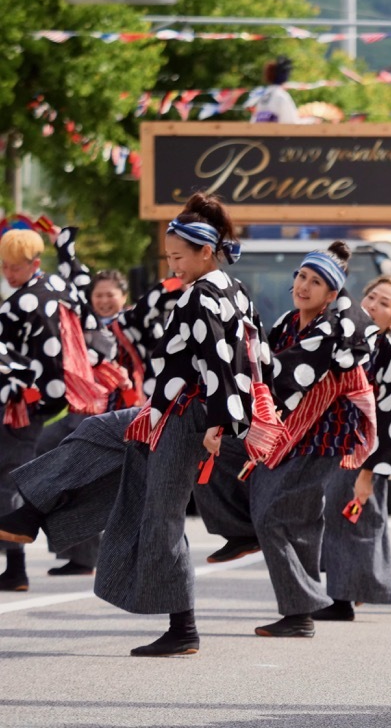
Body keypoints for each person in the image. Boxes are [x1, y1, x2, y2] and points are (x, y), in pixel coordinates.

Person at [96, 193, 274, 656]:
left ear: (205, 252)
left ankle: (184, 628)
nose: (173, 265)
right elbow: (258, 357)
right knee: (97, 442)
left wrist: (219, 421)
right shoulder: (235, 290)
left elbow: (219, 360)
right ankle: (30, 509)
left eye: (178, 257)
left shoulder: (201, 295)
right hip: (178, 412)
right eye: (169, 257)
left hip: (185, 415)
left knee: (163, 516)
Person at [236, 242, 378, 638]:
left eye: (316, 282)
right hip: (289, 432)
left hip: (322, 434)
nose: (303, 286)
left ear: (332, 294)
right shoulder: (285, 323)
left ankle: (300, 611)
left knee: (280, 515)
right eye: (301, 276)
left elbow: (284, 374)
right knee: (281, 513)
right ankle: (297, 606)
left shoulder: (337, 326)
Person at [0, 226, 117, 592]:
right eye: (4, 266)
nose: (8, 273)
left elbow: (13, 357)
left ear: (34, 264)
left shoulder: (19, 303)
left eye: (14, 267)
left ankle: (17, 567)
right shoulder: (60, 288)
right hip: (67, 396)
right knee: (34, 475)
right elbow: (81, 281)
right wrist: (66, 247)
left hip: (27, 402)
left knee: (11, 477)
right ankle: (48, 558)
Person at [316, 274, 391, 622]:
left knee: (355, 519)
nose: (373, 305)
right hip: (333, 442)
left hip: (364, 450)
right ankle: (344, 592)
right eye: (372, 297)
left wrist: (369, 472)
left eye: (384, 303)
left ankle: (344, 599)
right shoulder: (347, 338)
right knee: (334, 517)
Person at [251, 56, 299, 124]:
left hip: (260, 133)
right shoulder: (281, 96)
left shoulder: (262, 95)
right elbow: (292, 123)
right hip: (275, 133)